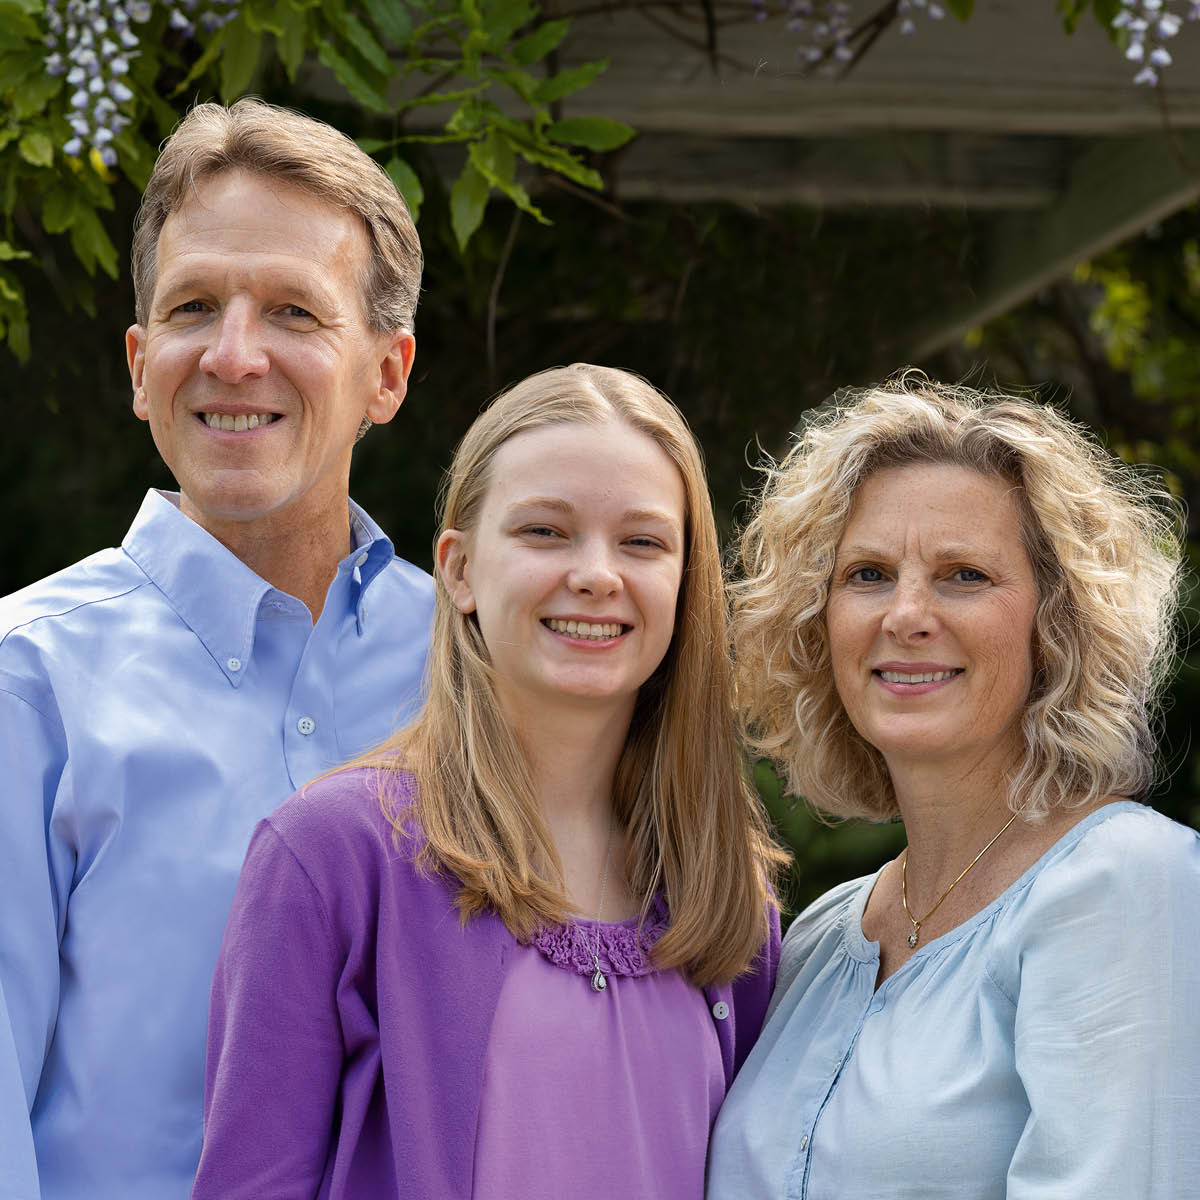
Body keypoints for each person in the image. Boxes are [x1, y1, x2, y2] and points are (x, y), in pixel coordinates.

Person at [190, 363, 784, 1199]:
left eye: (643, 542)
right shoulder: (332, 858)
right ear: (459, 571)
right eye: (545, 532)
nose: (596, 574)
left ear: (687, 584)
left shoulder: (723, 892)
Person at [0, 99, 433, 1200]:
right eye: (196, 307)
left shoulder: (479, 665)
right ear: (142, 364)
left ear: (387, 373)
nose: (235, 357)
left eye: (294, 311)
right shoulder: (25, 680)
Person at [707, 375, 1200, 1199]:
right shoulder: (824, 938)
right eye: (866, 574)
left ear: (1059, 622)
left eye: (963, 575)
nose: (905, 614)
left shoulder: (1127, 889)